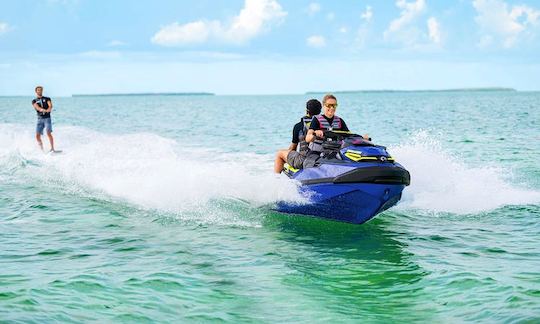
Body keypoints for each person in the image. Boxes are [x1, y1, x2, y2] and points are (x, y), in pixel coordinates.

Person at [273, 99, 322, 173]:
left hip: (304, 160)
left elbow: (293, 148)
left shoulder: (298, 126)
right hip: (322, 158)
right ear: (320, 111)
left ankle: (276, 180)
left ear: (307, 111)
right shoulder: (324, 125)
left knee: (280, 153)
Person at [32, 86, 56, 152]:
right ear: (36, 91)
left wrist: (48, 109)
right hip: (39, 119)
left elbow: (50, 106)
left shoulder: (47, 98)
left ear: (42, 91)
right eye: (38, 90)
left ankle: (52, 149)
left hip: (47, 119)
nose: (40, 91)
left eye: (41, 90)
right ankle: (41, 150)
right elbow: (37, 107)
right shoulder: (34, 101)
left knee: (48, 133)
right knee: (37, 136)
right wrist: (42, 109)